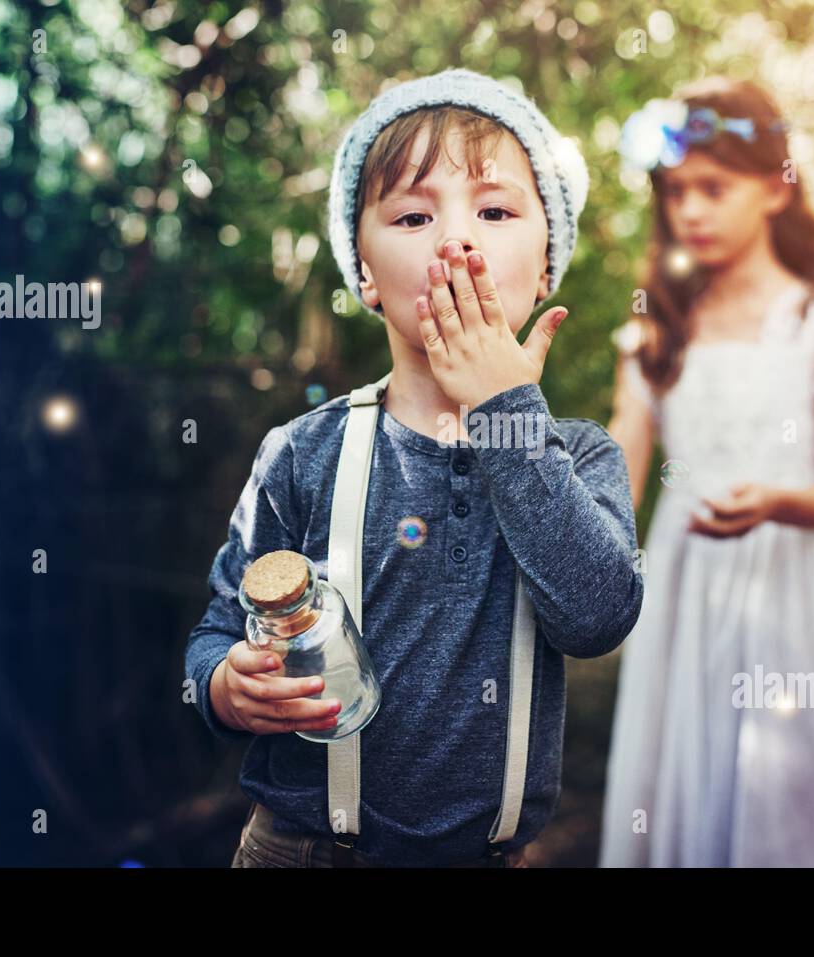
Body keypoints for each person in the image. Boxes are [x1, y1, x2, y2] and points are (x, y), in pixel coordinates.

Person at [184, 68, 644, 867]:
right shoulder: (300, 454)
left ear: (545, 269)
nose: (455, 240)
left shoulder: (579, 456)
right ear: (363, 269)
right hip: (301, 849)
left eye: (495, 211)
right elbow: (216, 632)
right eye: (413, 214)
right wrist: (228, 686)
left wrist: (505, 413)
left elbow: (597, 615)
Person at [599, 77, 814, 867]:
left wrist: (776, 500)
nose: (690, 211)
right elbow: (617, 474)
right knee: (694, 782)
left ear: (775, 190)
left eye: (714, 188)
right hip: (690, 594)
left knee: (797, 807)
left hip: (807, 599)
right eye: (676, 192)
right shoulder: (657, 334)